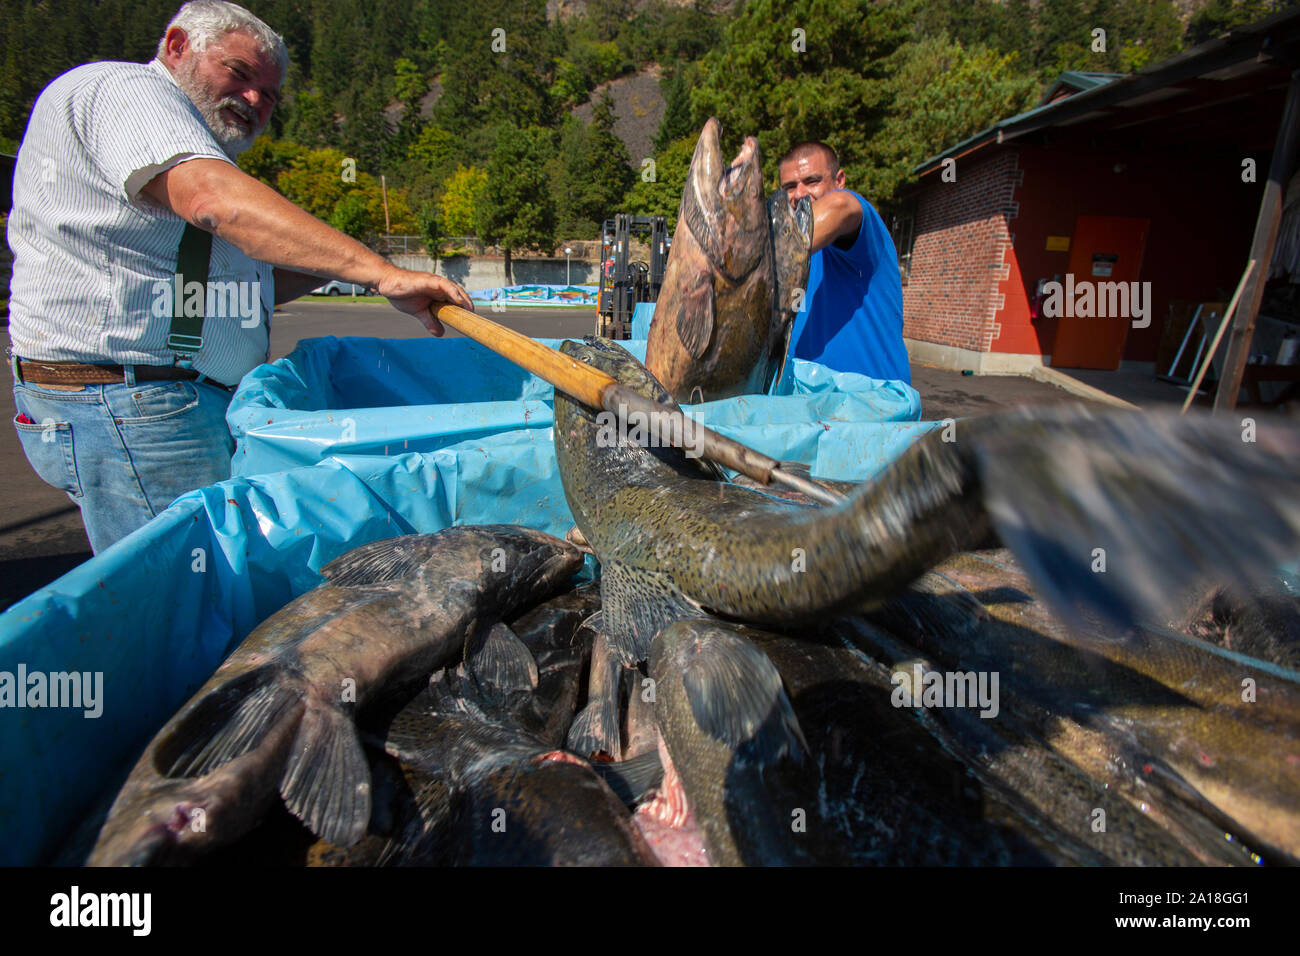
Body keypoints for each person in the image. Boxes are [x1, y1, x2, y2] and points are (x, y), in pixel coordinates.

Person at [7, 1, 473, 554]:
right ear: (178, 47)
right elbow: (213, 200)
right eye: (240, 74)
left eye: (271, 94)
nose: (255, 100)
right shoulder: (123, 91)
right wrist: (380, 271)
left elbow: (242, 294)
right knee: (186, 598)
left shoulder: (187, 155)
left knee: (207, 585)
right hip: (134, 402)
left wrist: (370, 276)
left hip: (166, 401)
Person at [777, 141, 910, 384]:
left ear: (839, 181)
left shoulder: (859, 230)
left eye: (812, 181)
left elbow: (840, 206)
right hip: (807, 410)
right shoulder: (795, 258)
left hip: (875, 407)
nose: (800, 194)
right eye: (789, 187)